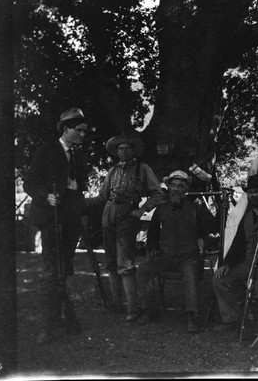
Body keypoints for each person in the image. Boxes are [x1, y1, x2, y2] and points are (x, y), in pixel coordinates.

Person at [23, 108, 91, 344]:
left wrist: (81, 210)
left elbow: (78, 188)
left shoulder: (78, 156)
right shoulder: (47, 150)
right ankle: (49, 326)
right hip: (51, 216)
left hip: (70, 217)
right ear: (66, 129)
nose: (83, 135)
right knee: (52, 272)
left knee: (64, 269)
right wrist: (45, 197)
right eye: (79, 130)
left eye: (85, 130)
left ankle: (62, 318)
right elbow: (29, 183)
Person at [87, 134, 164, 322]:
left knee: (125, 263)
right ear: (116, 151)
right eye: (120, 149)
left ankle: (132, 308)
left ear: (133, 150)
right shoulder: (112, 171)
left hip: (128, 216)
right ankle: (116, 303)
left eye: (127, 148)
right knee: (111, 261)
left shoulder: (143, 169)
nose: (123, 152)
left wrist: (142, 210)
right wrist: (81, 204)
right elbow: (102, 197)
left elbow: (158, 194)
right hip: (108, 214)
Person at [135, 170, 217, 333]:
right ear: (168, 188)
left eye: (180, 186)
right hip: (166, 256)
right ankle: (148, 310)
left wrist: (202, 238)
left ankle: (191, 316)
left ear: (186, 188)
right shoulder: (161, 209)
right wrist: (152, 248)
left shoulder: (197, 208)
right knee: (143, 269)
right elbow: (152, 232)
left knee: (190, 274)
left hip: (188, 256)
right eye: (173, 186)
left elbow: (213, 228)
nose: (176, 189)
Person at [212, 175, 258, 333]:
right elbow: (237, 245)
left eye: (257, 191)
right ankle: (231, 319)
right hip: (249, 263)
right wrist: (227, 264)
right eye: (250, 192)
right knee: (221, 279)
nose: (253, 195)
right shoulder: (246, 218)